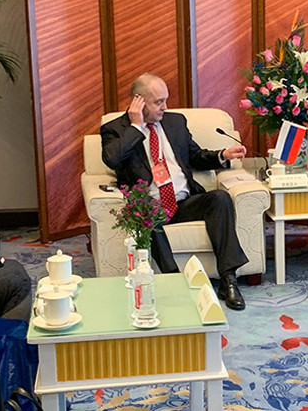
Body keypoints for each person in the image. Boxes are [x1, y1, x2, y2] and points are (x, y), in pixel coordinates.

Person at [101, 73, 249, 310]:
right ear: (139, 101)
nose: (165, 107)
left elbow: (195, 156)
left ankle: (228, 279)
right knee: (145, 211)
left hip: (183, 202)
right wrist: (136, 126)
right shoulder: (115, 129)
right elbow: (112, 159)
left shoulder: (175, 122)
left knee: (220, 199)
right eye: (158, 102)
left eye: (165, 100)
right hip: (151, 207)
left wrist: (222, 155)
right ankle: (175, 281)